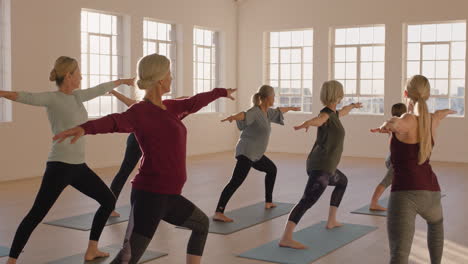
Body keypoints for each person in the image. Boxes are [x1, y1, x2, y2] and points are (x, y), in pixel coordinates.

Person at [53, 53, 237, 264]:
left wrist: (220, 92)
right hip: (149, 196)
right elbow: (114, 121)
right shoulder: (140, 111)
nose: (172, 77)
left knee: (201, 224)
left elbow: (194, 102)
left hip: (170, 196)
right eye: (169, 73)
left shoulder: (170, 107)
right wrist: (85, 128)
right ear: (160, 79)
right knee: (127, 259)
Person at [0, 56, 134, 263]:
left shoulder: (77, 97)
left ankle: (92, 249)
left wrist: (123, 81)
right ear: (68, 75)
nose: (81, 77)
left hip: (79, 167)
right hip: (59, 167)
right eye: (78, 73)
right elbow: (23, 96)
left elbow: (100, 88)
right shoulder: (52, 99)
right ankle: (12, 260)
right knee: (36, 214)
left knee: (108, 201)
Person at [371, 75, 454, 264]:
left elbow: (395, 123)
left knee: (399, 256)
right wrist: (446, 112)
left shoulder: (407, 119)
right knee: (436, 225)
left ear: (406, 94)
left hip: (405, 194)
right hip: (432, 193)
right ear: (428, 95)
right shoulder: (432, 120)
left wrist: (386, 125)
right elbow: (439, 114)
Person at [278, 80, 362, 249]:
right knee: (307, 200)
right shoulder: (326, 115)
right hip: (321, 167)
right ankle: (286, 237)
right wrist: (308, 123)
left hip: (327, 166)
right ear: (337, 95)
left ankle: (331, 220)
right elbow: (319, 119)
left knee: (342, 182)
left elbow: (342, 112)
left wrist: (353, 105)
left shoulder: (335, 114)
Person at [213, 84, 300, 222]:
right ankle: (219, 212)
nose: (274, 98)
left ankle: (268, 202)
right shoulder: (255, 112)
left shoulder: (267, 112)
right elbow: (244, 115)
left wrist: (291, 108)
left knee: (272, 170)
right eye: (273, 96)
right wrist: (234, 117)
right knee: (236, 181)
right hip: (247, 152)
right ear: (266, 98)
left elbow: (279, 111)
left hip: (256, 154)